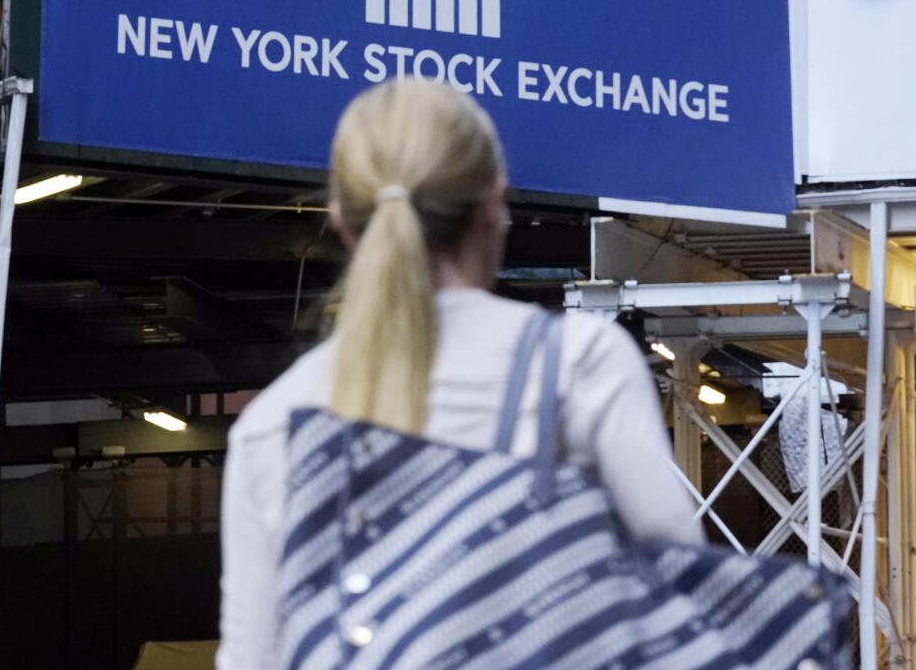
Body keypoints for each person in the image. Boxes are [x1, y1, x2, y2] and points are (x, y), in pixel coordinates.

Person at [216, 79, 703, 670]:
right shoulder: (577, 365)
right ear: (495, 205)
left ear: (342, 223)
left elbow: (251, 656)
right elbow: (680, 606)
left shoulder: (270, 426)